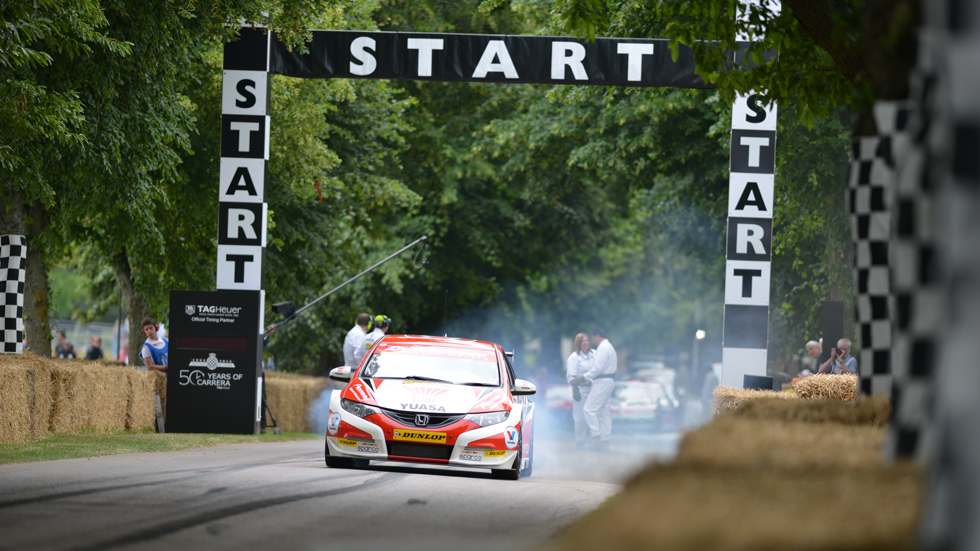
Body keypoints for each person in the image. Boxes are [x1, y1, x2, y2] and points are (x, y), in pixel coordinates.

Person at [575, 327, 618, 449]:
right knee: (604, 412)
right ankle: (605, 440)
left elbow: (597, 368)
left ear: (598, 335)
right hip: (608, 380)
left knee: (588, 409)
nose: (593, 342)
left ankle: (596, 436)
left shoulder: (603, 348)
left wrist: (584, 377)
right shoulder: (609, 347)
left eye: (593, 338)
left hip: (602, 381)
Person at [565, 333, 594, 450]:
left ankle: (594, 440)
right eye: (583, 341)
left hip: (593, 389)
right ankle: (580, 440)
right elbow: (571, 376)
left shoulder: (594, 355)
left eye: (587, 340)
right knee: (580, 417)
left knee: (592, 415)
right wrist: (576, 388)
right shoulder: (574, 357)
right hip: (580, 390)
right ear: (578, 343)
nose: (585, 343)